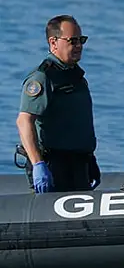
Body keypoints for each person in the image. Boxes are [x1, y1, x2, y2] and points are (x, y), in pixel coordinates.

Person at [17, 15, 99, 193]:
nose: (78, 46)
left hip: (78, 163)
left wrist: (90, 159)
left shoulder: (75, 76)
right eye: (73, 41)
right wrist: (38, 164)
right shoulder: (43, 78)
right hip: (53, 165)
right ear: (53, 42)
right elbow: (24, 121)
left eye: (81, 40)